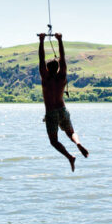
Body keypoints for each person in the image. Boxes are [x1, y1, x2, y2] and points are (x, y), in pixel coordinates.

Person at [38, 32, 89, 171]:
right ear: (59, 68)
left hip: (51, 113)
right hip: (62, 110)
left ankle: (69, 157)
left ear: (47, 69)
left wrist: (41, 40)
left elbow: (41, 58)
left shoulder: (45, 79)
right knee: (71, 132)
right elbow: (62, 58)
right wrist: (60, 40)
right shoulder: (62, 77)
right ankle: (78, 143)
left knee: (54, 141)